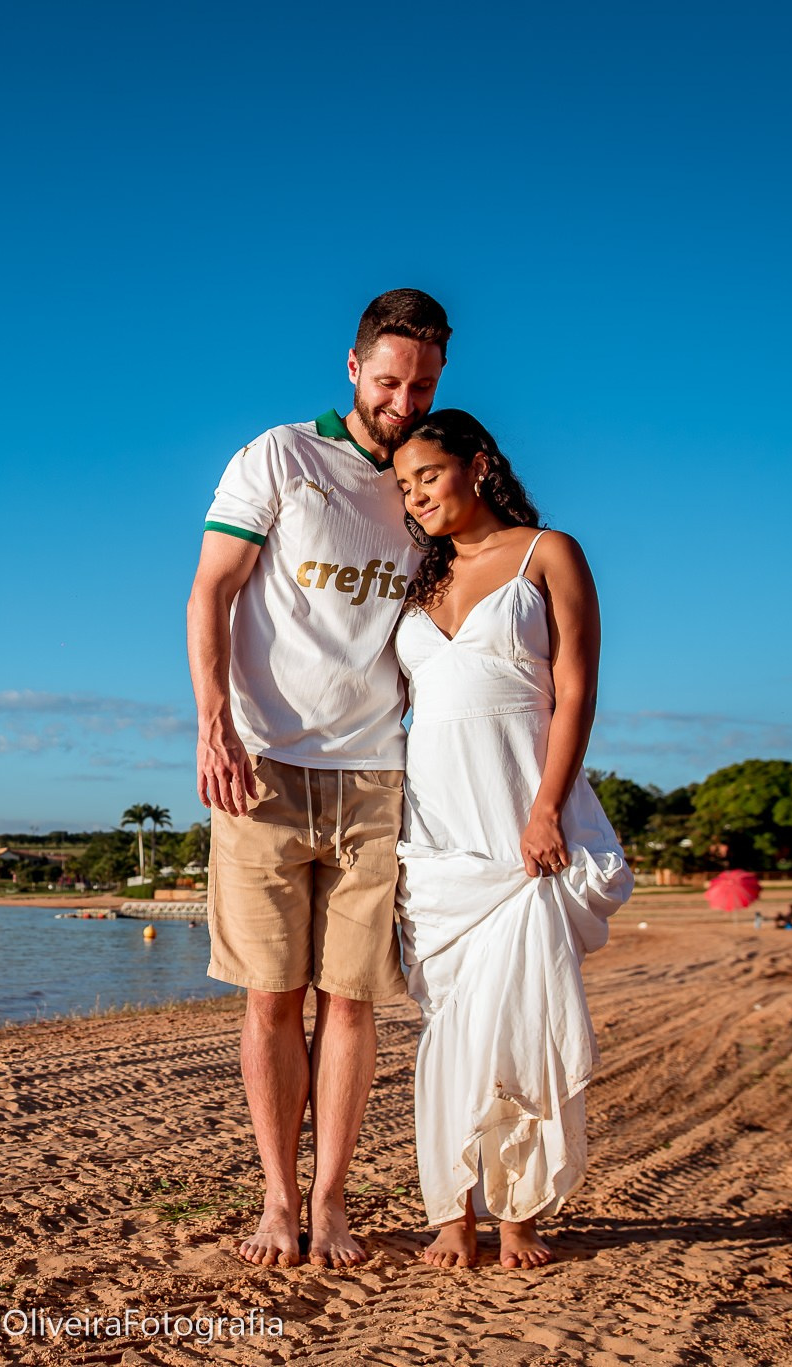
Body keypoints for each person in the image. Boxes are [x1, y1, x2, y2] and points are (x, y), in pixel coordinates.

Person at [186, 288, 451, 1268]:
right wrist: (213, 724)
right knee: (269, 994)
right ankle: (276, 1198)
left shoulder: (425, 485)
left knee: (349, 999)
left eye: (420, 382)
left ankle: (332, 1199)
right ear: (351, 368)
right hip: (260, 763)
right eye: (387, 379)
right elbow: (210, 590)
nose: (402, 398)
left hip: (374, 772)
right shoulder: (279, 457)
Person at [388, 409, 633, 1270]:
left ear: (478, 464)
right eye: (405, 487)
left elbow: (576, 694)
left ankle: (519, 1211)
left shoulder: (548, 553)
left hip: (519, 819)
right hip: (435, 824)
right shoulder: (414, 582)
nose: (416, 497)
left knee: (518, 1021)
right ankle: (452, 1211)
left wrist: (545, 809)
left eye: (429, 476)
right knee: (448, 1021)